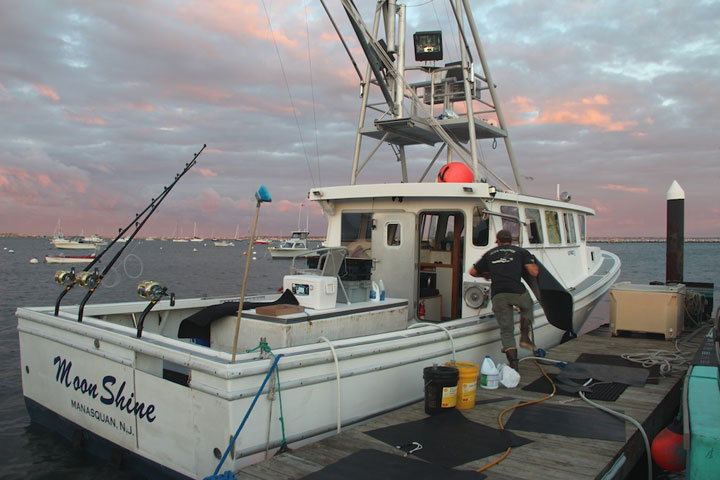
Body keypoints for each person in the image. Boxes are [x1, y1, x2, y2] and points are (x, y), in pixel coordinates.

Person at [469, 229, 539, 371]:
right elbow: (534, 272)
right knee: (528, 305)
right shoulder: (520, 252)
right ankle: (525, 336)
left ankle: (514, 366)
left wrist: (486, 275)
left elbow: (472, 272)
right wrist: (533, 263)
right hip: (517, 292)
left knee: (506, 331)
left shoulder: (490, 254)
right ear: (511, 240)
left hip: (498, 294)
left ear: (498, 241)